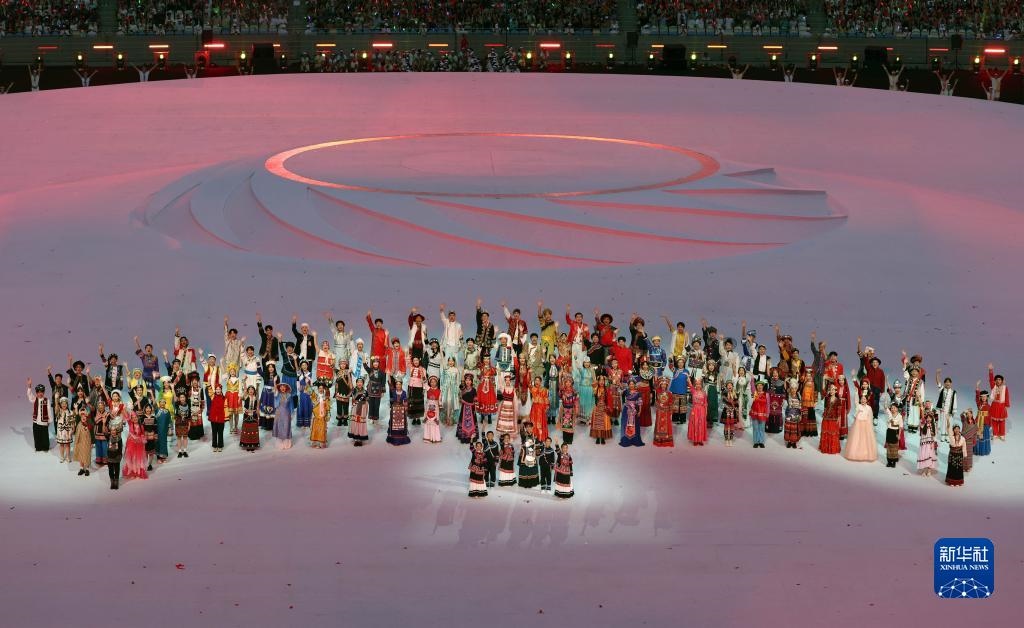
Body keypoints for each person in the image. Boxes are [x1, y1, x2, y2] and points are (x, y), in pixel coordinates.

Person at [844, 395, 878, 462]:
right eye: (862, 399)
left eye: (864, 399)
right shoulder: (858, 406)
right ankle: (855, 453)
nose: (863, 400)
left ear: (867, 400)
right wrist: (856, 393)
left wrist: (869, 425)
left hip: (866, 425)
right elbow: (855, 410)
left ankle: (866, 454)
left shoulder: (869, 408)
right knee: (856, 438)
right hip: (858, 425)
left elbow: (870, 417)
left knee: (865, 439)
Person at [122, 409, 148, 480]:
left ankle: (138, 473)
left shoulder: (141, 426)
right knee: (131, 458)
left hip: (139, 444)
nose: (135, 419)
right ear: (131, 419)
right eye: (133, 418)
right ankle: (132, 472)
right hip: (131, 443)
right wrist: (125, 408)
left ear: (138, 418)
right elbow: (126, 415)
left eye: (136, 417)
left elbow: (142, 434)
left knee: (138, 458)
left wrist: (141, 439)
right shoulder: (130, 424)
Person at [619, 379, 645, 447]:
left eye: (632, 384)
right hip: (626, 409)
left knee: (634, 424)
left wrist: (640, 411)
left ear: (634, 385)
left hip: (634, 410)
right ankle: (627, 438)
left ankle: (634, 439)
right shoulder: (626, 391)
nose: (631, 385)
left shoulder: (638, 393)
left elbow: (640, 402)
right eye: (630, 384)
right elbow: (620, 397)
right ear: (628, 385)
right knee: (626, 423)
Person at [987, 364, 1009, 441]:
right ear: (995, 381)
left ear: (1002, 381)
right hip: (994, 405)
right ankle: (995, 434)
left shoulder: (1005, 388)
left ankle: (1002, 434)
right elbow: (990, 380)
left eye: (1000, 379)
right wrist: (990, 370)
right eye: (997, 379)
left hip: (1002, 405)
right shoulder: (993, 386)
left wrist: (1006, 406)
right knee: (994, 421)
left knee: (1002, 421)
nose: (998, 381)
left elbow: (1007, 397)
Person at [934, 369, 957, 443]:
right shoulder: (942, 389)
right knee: (943, 423)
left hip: (949, 411)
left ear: (951, 383)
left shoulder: (953, 392)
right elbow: (938, 382)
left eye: (949, 382)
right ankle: (943, 437)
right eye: (946, 382)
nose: (947, 383)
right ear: (944, 383)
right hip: (943, 410)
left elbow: (955, 402)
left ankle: (948, 437)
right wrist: (937, 374)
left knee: (949, 423)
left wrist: (953, 411)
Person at [27, 381, 50, 452]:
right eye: (38, 392)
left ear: (44, 392)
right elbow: (29, 395)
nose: (40, 393)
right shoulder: (34, 399)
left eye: (41, 392)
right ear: (36, 393)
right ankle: (38, 447)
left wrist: (49, 420)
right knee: (36, 434)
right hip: (36, 421)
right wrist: (29, 386)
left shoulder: (46, 400)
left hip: (44, 421)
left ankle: (45, 447)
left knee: (44, 435)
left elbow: (49, 411)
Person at [590, 375, 613, 445]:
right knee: (597, 422)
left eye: (603, 380)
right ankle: (598, 437)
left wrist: (608, 407)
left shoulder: (607, 389)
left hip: (604, 408)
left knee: (604, 422)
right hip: (597, 408)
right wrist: (597, 380)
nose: (601, 382)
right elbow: (592, 384)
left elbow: (609, 399)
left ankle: (602, 437)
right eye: (600, 380)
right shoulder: (596, 388)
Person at [386, 381, 411, 445]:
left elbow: (405, 401)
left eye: (399, 384)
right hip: (394, 409)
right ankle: (393, 436)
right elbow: (390, 383)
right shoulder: (393, 391)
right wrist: (388, 375)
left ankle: (401, 436)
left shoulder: (404, 392)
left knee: (401, 423)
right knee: (393, 422)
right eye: (397, 384)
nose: (398, 385)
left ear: (401, 385)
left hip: (401, 410)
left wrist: (406, 409)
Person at [652, 377, 674, 447]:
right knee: (659, 424)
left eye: (665, 384)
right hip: (659, 411)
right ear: (660, 385)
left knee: (666, 424)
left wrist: (670, 411)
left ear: (667, 385)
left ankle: (666, 439)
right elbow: (655, 385)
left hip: (666, 412)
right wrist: (655, 376)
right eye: (662, 384)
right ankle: (659, 439)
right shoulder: (658, 391)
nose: (663, 386)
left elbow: (671, 403)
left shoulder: (669, 393)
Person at [918, 402, 938, 477]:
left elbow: (935, 435)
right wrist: (922, 409)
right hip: (924, 443)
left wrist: (934, 443)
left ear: (932, 418)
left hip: (930, 444)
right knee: (924, 455)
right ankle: (924, 470)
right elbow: (922, 420)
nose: (929, 419)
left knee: (930, 456)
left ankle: (929, 471)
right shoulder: (923, 424)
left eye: (930, 417)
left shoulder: (934, 425)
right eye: (927, 417)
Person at [456, 374, 478, 443]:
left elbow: (475, 400)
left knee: (472, 422)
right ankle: (464, 435)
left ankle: (472, 435)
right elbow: (460, 398)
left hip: (471, 408)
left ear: (471, 381)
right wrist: (461, 400)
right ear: (464, 381)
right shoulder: (463, 389)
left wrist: (475, 407)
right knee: (463, 421)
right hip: (464, 408)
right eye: (466, 380)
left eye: (469, 380)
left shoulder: (474, 390)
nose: (468, 381)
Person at [687, 377, 708, 446]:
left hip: (702, 410)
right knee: (695, 423)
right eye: (697, 384)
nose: (698, 385)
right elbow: (690, 385)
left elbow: (705, 403)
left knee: (701, 424)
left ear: (701, 385)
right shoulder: (693, 391)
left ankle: (700, 439)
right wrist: (688, 379)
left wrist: (706, 411)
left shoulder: (704, 393)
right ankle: (695, 439)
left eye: (699, 384)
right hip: (695, 410)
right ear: (695, 385)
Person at [73, 406, 93, 476]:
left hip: (87, 441)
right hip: (80, 441)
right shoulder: (79, 422)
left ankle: (87, 468)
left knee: (86, 454)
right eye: (81, 414)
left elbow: (92, 432)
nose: (83, 416)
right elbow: (76, 416)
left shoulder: (89, 422)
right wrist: (76, 408)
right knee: (81, 454)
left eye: (84, 414)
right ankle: (81, 468)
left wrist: (92, 442)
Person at [440, 357, 460, 426]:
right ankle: (446, 418)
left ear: (454, 362)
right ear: (448, 362)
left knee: (452, 403)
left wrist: (457, 390)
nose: (451, 362)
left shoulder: (456, 370)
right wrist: (443, 388)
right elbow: (443, 379)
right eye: (449, 361)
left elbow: (458, 381)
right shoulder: (446, 369)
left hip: (453, 389)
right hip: (446, 389)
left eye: (452, 361)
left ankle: (450, 418)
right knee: (446, 402)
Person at [273, 382, 293, 450]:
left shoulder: (289, 395)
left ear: (286, 388)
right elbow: (275, 395)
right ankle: (280, 442)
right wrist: (274, 383)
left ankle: (286, 443)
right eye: (281, 387)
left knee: (286, 426)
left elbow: (291, 405)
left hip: (287, 413)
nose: (282, 388)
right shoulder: (277, 394)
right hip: (278, 412)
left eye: (284, 387)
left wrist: (292, 414)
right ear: (279, 388)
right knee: (279, 426)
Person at [239, 385, 260, 452]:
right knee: (247, 430)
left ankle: (253, 444)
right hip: (246, 415)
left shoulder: (256, 398)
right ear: (248, 391)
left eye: (252, 389)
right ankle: (247, 444)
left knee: (253, 430)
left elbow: (257, 407)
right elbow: (244, 390)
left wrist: (258, 414)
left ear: (254, 391)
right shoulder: (246, 396)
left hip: (254, 415)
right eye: (249, 389)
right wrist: (244, 382)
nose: (251, 390)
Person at [973, 387, 992, 457]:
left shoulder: (989, 406)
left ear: (987, 397)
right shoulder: (979, 404)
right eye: (982, 397)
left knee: (984, 437)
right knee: (977, 436)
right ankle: (977, 451)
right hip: (978, 422)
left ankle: (983, 451)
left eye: (985, 397)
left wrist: (990, 424)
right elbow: (977, 398)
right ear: (980, 398)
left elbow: (990, 416)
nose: (984, 398)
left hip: (985, 423)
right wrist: (977, 388)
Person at [310, 384, 330, 448]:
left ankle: (321, 443)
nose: (321, 389)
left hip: (323, 415)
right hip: (316, 415)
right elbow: (309, 392)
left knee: (322, 428)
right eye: (319, 388)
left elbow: (327, 406)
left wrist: (328, 414)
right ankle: (315, 443)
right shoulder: (315, 396)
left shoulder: (325, 398)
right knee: (315, 428)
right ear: (318, 389)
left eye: (322, 388)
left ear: (323, 389)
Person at [749, 381, 769, 448]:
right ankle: (756, 442)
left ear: (763, 386)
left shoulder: (766, 394)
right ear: (756, 387)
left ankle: (761, 442)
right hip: (755, 413)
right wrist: (752, 379)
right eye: (758, 385)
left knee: (762, 428)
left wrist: (768, 413)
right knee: (755, 427)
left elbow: (768, 404)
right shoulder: (754, 393)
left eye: (761, 385)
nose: (759, 386)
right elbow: (752, 386)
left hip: (763, 413)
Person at [423, 376, 442, 443]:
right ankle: (428, 437)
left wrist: (440, 406)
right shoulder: (428, 389)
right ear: (430, 383)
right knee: (428, 420)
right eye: (431, 382)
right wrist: (423, 376)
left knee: (434, 421)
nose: (433, 383)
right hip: (428, 407)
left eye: (434, 382)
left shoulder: (439, 391)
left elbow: (440, 400)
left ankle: (435, 437)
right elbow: (424, 383)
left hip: (435, 408)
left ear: (436, 383)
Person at [558, 378, 578, 444]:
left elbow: (576, 400)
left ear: (572, 383)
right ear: (565, 383)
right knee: (564, 424)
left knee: (571, 425)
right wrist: (560, 389)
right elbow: (559, 396)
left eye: (569, 382)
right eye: (566, 382)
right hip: (564, 409)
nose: (568, 383)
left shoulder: (574, 391)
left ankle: (570, 439)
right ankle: (565, 439)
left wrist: (577, 409)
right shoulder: (563, 391)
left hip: (572, 410)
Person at [54, 398, 74, 462]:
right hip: (61, 431)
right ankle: (62, 456)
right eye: (62, 403)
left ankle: (68, 456)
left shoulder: (70, 412)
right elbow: (56, 409)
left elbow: (72, 422)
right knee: (61, 444)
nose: (64, 405)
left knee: (68, 444)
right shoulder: (59, 411)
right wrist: (56, 399)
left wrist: (73, 429)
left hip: (68, 430)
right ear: (60, 404)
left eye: (65, 403)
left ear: (67, 404)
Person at [208, 385, 227, 452]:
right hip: (213, 418)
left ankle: (220, 445)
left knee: (220, 433)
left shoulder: (224, 398)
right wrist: (209, 384)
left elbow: (226, 408)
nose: (218, 390)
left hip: (221, 418)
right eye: (216, 389)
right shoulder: (213, 396)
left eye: (219, 389)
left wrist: (226, 417)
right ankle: (214, 445)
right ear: (215, 390)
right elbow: (210, 391)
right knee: (214, 432)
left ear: (221, 390)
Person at [783, 378, 801, 449]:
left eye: (795, 388)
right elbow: (785, 389)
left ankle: (794, 442)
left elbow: (800, 405)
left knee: (794, 429)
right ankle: (789, 442)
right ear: (790, 388)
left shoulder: (798, 395)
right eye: (792, 388)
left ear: (796, 388)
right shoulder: (788, 394)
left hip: (796, 414)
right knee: (789, 428)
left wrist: (800, 414)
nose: (793, 390)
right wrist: (785, 381)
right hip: (789, 414)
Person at [106, 420, 123, 490]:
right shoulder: (108, 437)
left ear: (116, 431)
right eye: (112, 430)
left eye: (114, 430)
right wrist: (104, 423)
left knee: (116, 470)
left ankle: (116, 482)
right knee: (110, 470)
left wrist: (119, 456)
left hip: (116, 457)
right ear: (110, 431)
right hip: (109, 456)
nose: (113, 431)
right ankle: (112, 482)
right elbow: (104, 432)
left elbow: (120, 448)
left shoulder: (119, 439)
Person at [174, 393, 190, 458]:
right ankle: (180, 451)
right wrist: (173, 388)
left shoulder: (188, 404)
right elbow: (175, 398)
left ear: (185, 398)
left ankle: (185, 451)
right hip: (178, 423)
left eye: (183, 397)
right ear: (179, 398)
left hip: (185, 423)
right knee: (179, 437)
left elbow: (189, 416)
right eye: (181, 397)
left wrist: (189, 425)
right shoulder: (177, 404)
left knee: (185, 437)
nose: (182, 398)